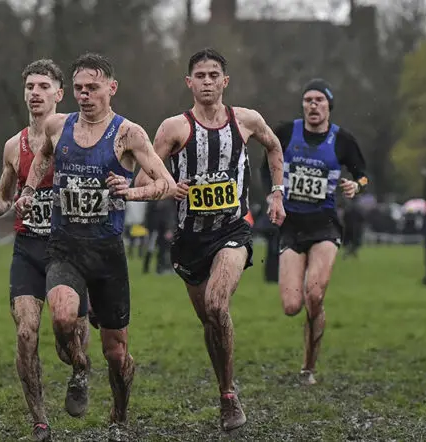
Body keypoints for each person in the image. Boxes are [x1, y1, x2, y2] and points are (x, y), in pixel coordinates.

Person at [14, 52, 176, 442]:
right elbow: (42, 158)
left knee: (117, 353)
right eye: (80, 89)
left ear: (111, 88)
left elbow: (166, 184)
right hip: (64, 246)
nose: (85, 95)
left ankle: (119, 415)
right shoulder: (58, 126)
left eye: (93, 88)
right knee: (62, 318)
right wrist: (29, 191)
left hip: (106, 253)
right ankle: (80, 368)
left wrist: (130, 191)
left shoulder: (128, 133)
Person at [134, 48, 286, 432]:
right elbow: (142, 181)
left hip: (232, 230)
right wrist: (168, 187)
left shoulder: (246, 120)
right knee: (209, 321)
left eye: (213, 75)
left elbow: (273, 145)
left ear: (225, 81)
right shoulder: (173, 129)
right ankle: (225, 386)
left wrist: (277, 192)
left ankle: (229, 395)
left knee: (217, 304)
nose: (207, 82)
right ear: (189, 83)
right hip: (190, 240)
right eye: (200, 76)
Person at [0, 59, 91, 442]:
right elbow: (5, 196)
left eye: (44, 86)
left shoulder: (77, 135)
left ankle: (80, 369)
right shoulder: (14, 146)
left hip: (69, 249)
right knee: (26, 333)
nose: (36, 93)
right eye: (30, 87)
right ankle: (40, 421)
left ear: (60, 94)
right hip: (28, 248)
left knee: (68, 341)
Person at [272, 78, 368, 386]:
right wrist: (273, 193)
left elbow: (363, 175)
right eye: (308, 100)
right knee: (291, 306)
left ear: (329, 106)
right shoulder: (286, 132)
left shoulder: (343, 140)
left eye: (319, 100)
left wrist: (356, 186)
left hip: (325, 224)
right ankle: (315, 311)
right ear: (303, 105)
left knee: (313, 295)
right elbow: (267, 163)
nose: (313, 105)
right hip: (291, 224)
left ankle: (308, 366)